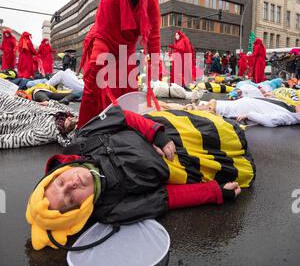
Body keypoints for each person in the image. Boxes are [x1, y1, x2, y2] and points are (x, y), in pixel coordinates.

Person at [26, 104, 255, 250]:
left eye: (61, 182)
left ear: (57, 174)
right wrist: (214, 192)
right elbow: (166, 197)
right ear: (81, 209)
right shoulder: (112, 209)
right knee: (245, 169)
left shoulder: (82, 139)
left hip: (165, 131)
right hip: (182, 166)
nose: (73, 183)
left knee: (230, 132)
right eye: (70, 198)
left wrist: (156, 134)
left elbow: (122, 116)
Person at [77, 0, 161, 128]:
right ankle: (86, 128)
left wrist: (155, 66)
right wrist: (95, 70)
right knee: (98, 91)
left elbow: (154, 33)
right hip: (104, 45)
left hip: (126, 50)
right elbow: (102, 37)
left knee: (128, 93)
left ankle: (127, 128)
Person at [0, 93, 78, 149]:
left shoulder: (48, 131)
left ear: (68, 131)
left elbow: (16, 139)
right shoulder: (65, 115)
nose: (70, 118)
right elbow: (67, 108)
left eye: (71, 123)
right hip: (18, 105)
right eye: (73, 117)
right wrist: (49, 103)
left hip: (11, 119)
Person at [189, 97, 300, 128]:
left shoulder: (288, 116)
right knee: (209, 104)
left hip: (237, 109)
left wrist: (248, 115)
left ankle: (183, 109)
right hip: (239, 103)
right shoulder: (289, 106)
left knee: (210, 106)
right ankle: (190, 106)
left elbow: (271, 121)